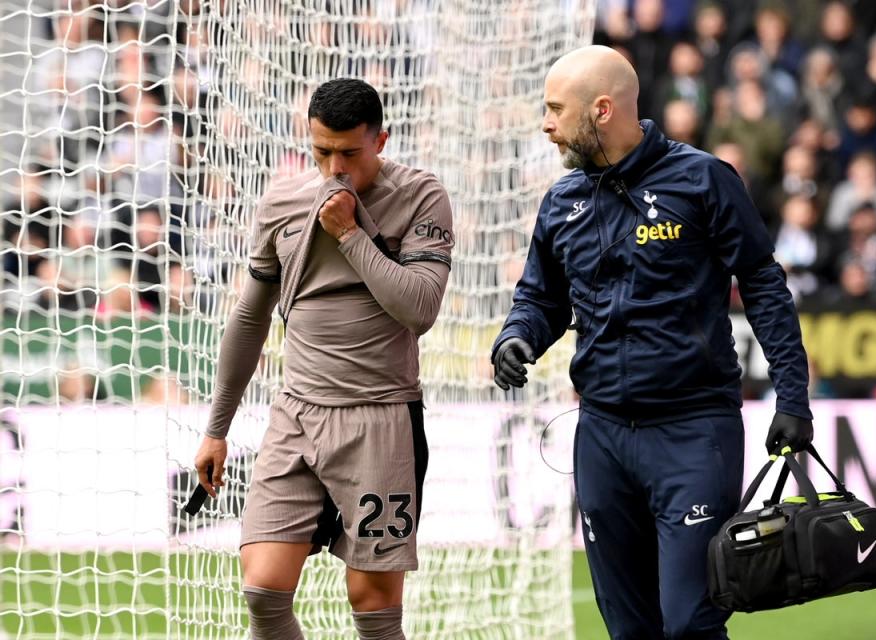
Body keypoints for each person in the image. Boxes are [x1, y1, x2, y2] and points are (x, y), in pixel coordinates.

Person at [491, 46, 813, 640]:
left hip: (693, 432)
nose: (546, 123)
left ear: (603, 110)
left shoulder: (704, 179)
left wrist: (792, 397)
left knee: (690, 622)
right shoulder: (562, 201)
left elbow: (765, 285)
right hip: (602, 438)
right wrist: (517, 337)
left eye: (556, 109)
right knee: (628, 628)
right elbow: (541, 299)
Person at [192, 78, 454, 640]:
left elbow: (420, 308)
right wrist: (217, 429)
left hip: (380, 420)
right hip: (296, 415)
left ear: (381, 140)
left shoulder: (421, 196)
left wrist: (353, 235)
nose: (335, 168)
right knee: (262, 588)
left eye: (349, 153)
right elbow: (249, 318)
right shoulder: (281, 204)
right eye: (322, 152)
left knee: (374, 608)